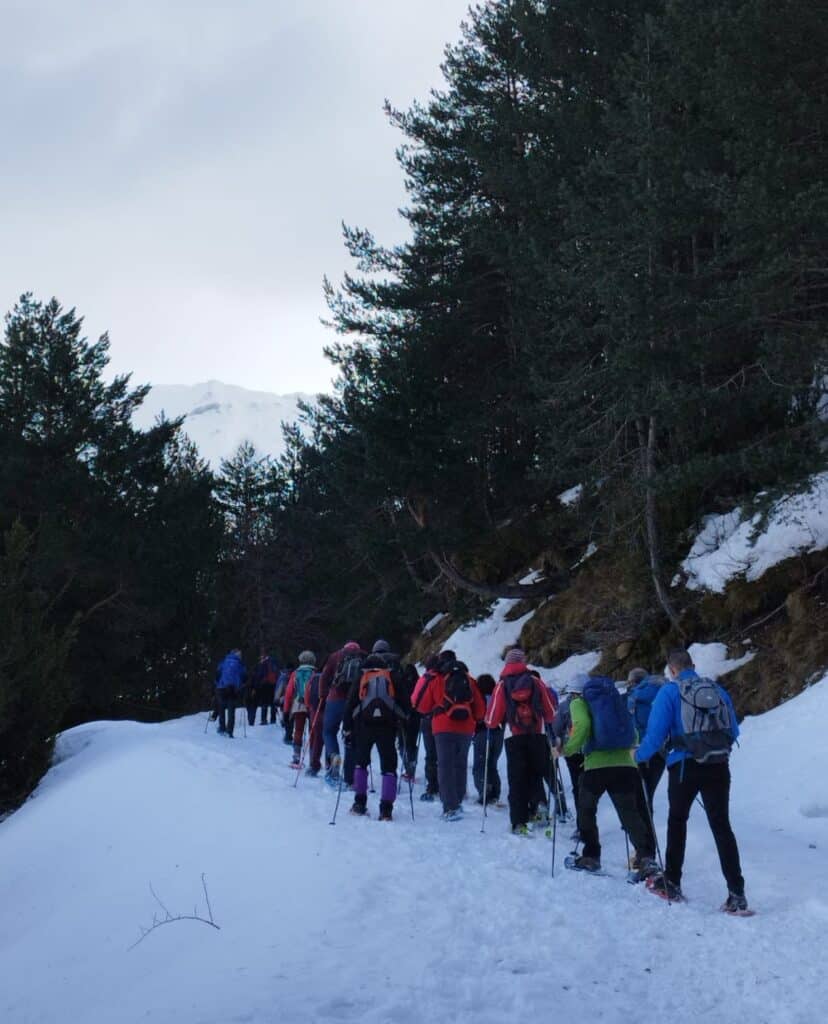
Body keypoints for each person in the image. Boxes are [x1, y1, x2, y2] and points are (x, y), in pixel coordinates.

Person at [635, 648, 747, 912]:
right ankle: (737, 893)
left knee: (677, 821)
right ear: (693, 665)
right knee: (721, 827)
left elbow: (655, 735)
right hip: (719, 764)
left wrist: (639, 756)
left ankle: (672, 882)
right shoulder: (716, 690)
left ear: (672, 669)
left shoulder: (670, 692)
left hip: (684, 766)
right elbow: (734, 729)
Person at [557, 674, 657, 876]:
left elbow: (583, 725)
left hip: (596, 765)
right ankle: (645, 858)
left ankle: (591, 856)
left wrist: (567, 750)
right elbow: (632, 730)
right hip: (625, 765)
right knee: (629, 813)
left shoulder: (579, 702)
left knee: (586, 809)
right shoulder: (616, 700)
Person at [486, 650, 557, 835]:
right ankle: (540, 806)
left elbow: (492, 718)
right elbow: (550, 711)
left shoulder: (502, 684)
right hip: (537, 734)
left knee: (517, 779)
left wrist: (490, 723)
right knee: (535, 773)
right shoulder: (535, 681)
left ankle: (519, 821)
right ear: (523, 661)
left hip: (513, 736)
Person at [416, 650, 485, 821]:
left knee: (445, 765)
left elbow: (421, 706)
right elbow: (481, 710)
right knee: (460, 764)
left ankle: (450, 807)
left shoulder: (436, 678)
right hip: (467, 728)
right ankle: (458, 800)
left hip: (442, 727)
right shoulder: (468, 679)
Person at [343, 653, 409, 820]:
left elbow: (351, 703)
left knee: (361, 763)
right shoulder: (392, 676)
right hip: (387, 727)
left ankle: (359, 803)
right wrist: (405, 722)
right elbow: (405, 703)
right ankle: (386, 810)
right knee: (389, 766)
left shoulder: (362, 676)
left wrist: (347, 728)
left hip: (363, 726)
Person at [319, 641, 365, 786]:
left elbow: (324, 677)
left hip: (335, 700)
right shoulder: (363, 657)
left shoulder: (335, 656)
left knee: (328, 732)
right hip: (355, 702)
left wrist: (322, 695)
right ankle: (350, 778)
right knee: (350, 736)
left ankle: (334, 756)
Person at [626, 668, 666, 813]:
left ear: (633, 681)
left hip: (639, 749)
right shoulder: (662, 690)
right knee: (649, 791)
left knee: (640, 792)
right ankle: (647, 821)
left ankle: (644, 829)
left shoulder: (635, 697)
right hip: (662, 750)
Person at [553, 676, 586, 840]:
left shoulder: (565, 706)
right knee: (589, 788)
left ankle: (583, 827)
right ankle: (588, 824)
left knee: (578, 786)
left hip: (572, 751)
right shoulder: (594, 703)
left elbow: (557, 729)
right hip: (593, 751)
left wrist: (557, 747)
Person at [412, 654, 441, 801]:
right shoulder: (439, 680)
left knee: (430, 754)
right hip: (438, 719)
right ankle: (441, 784)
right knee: (441, 754)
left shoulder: (424, 678)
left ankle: (431, 785)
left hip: (424, 718)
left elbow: (414, 700)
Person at [472, 674, 503, 805]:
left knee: (480, 764)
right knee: (492, 764)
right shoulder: (497, 697)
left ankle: (484, 791)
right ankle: (495, 792)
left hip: (482, 732)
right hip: (498, 732)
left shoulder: (478, 698)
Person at [283, 651, 317, 767]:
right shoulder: (315, 673)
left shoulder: (295, 673)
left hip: (298, 705)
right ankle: (313, 759)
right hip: (312, 705)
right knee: (312, 732)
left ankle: (296, 758)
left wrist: (286, 710)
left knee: (298, 731)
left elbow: (288, 693)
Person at [214, 648, 246, 738]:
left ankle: (222, 728)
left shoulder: (224, 661)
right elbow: (244, 676)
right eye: (240, 654)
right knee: (231, 710)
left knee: (221, 708)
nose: (240, 656)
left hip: (222, 688)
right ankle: (229, 731)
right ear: (236, 654)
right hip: (233, 688)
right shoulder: (240, 664)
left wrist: (216, 684)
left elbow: (217, 674)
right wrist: (242, 686)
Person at [252, 650, 280, 725]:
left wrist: (257, 685)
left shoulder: (263, 663)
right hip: (274, 684)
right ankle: (273, 720)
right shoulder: (274, 662)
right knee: (272, 702)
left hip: (265, 685)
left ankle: (264, 720)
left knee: (264, 702)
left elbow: (259, 675)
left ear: (264, 656)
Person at [274, 664, 293, 745]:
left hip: (284, 700)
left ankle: (288, 736)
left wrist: (276, 699)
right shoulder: (295, 675)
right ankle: (289, 735)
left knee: (286, 717)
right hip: (295, 700)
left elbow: (279, 688)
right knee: (291, 719)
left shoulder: (283, 677)